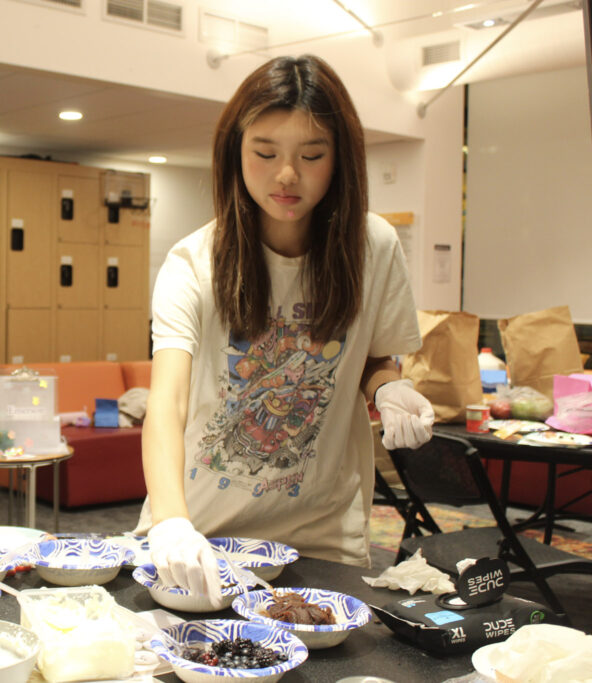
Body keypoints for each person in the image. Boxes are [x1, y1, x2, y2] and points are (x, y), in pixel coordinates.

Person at [135, 55, 434, 605]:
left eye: (312, 155)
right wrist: (171, 523)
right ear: (235, 151)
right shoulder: (194, 262)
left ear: (340, 159)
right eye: (265, 153)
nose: (287, 174)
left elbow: (377, 357)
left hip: (321, 535)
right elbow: (168, 404)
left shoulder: (373, 247)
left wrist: (389, 388)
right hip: (202, 528)